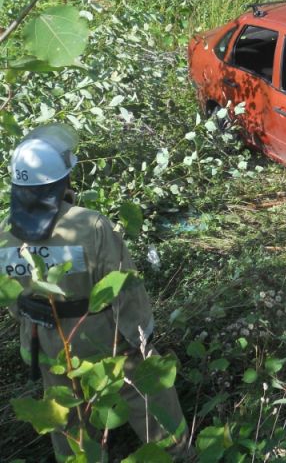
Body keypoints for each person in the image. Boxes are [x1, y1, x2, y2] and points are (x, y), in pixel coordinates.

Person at [1, 124, 187, 459]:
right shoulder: (91, 225)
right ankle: (175, 455)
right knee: (148, 396)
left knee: (66, 415)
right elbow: (124, 287)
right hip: (103, 336)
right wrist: (141, 338)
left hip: (46, 342)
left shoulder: (5, 235)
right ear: (62, 182)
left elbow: (12, 299)